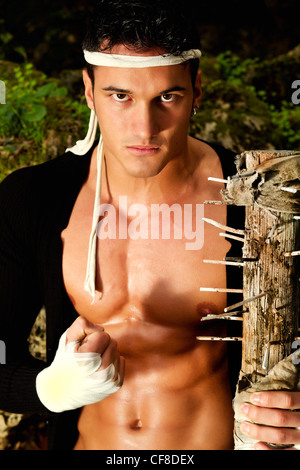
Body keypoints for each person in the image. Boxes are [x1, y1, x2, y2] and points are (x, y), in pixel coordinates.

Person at [0, 0, 299, 451]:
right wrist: (47, 389)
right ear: (88, 90)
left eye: (167, 97)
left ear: (197, 90)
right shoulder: (33, 198)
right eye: (120, 96)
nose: (145, 127)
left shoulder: (259, 201)